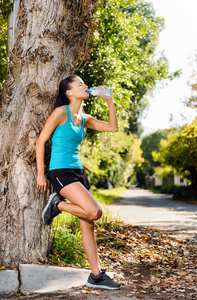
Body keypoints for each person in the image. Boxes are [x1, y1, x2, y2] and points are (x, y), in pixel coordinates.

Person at [36, 75, 121, 290]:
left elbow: (113, 127)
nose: (85, 86)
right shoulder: (61, 112)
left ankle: (96, 276)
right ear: (69, 92)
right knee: (95, 212)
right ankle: (58, 205)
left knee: (89, 224)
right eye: (80, 84)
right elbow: (41, 140)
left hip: (78, 172)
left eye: (85, 84)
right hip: (60, 171)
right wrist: (40, 174)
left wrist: (109, 100)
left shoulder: (84, 118)